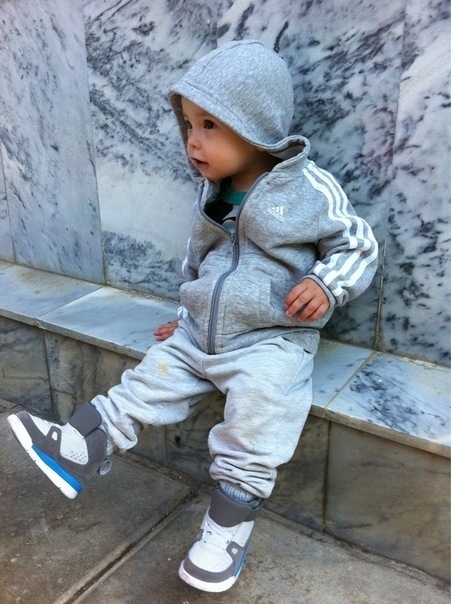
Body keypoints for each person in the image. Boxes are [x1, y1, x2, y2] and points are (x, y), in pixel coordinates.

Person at [7, 40, 378, 593]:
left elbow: (359, 245)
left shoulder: (307, 188)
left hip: (272, 338)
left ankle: (225, 531)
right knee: (148, 379)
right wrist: (187, 314)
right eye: (188, 124)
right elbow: (199, 265)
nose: (192, 140)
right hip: (200, 332)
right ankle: (80, 448)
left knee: (260, 412)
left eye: (210, 125)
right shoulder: (213, 193)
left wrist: (327, 284)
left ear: (255, 128)